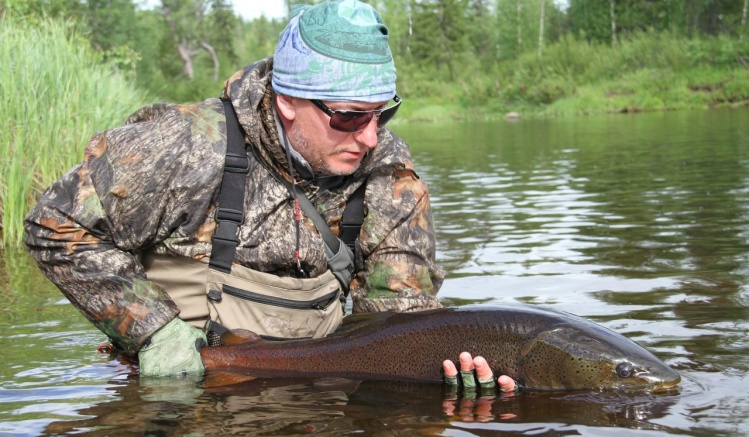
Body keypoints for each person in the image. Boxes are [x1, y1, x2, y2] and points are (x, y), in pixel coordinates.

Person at [24, 0, 514, 393]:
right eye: (348, 117)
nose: (369, 137)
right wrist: (151, 329)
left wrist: (441, 372)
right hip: (174, 387)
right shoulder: (187, 143)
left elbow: (395, 317)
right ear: (288, 101)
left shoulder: (389, 173)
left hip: (314, 384)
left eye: (381, 114)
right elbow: (54, 224)